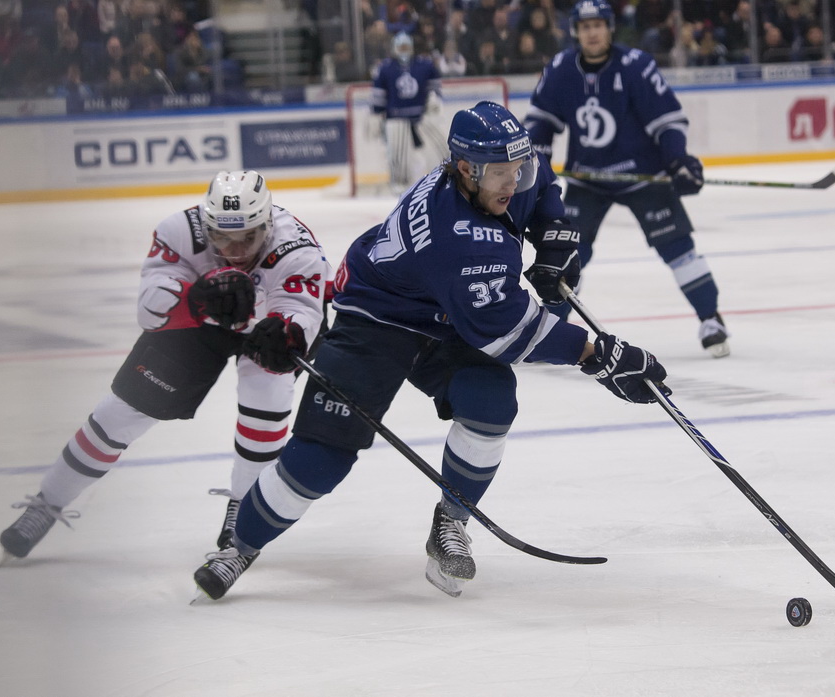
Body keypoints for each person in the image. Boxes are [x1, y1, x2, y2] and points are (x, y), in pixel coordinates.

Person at [192, 101, 670, 601]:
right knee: (323, 452)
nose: (514, 182)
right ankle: (239, 547)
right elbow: (507, 333)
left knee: (489, 404)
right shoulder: (457, 237)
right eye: (501, 174)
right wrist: (599, 356)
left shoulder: (499, 174)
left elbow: (542, 179)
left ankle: (451, 522)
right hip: (377, 317)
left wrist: (551, 231)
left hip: (444, 313)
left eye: (517, 167)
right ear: (466, 170)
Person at [0, 171, 332, 564]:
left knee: (267, 394)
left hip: (265, 326)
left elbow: (304, 314)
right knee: (120, 413)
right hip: (199, 323)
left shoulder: (296, 246)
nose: (237, 249)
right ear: (207, 227)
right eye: (223, 238)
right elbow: (150, 311)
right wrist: (197, 300)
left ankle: (243, 511)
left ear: (268, 224)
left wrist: (289, 333)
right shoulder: (178, 231)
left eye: (248, 237)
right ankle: (47, 501)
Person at [523, 0, 731, 358]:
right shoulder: (560, 69)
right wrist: (539, 166)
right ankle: (550, 332)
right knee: (566, 252)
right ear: (576, 31)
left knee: (677, 246)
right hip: (588, 178)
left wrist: (677, 159)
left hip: (642, 174)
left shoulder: (636, 66)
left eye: (598, 25)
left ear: (609, 28)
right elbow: (540, 122)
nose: (592, 32)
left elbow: (668, 121)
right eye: (585, 26)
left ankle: (710, 318)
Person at [368, 31, 446, 194]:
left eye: (406, 46)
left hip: (421, 118)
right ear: (394, 48)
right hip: (396, 120)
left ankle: (442, 182)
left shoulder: (424, 65)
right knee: (398, 159)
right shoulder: (385, 68)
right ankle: (400, 186)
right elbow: (379, 96)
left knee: (439, 150)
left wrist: (434, 98)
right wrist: (376, 114)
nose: (403, 50)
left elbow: (435, 88)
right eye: (400, 47)